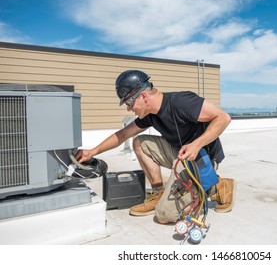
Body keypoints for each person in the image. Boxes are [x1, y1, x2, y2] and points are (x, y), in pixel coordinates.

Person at [75, 69, 235, 224]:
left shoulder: (181, 102)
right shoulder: (150, 115)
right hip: (180, 155)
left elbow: (223, 117)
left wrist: (196, 144)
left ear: (143, 96)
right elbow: (123, 135)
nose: (128, 109)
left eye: (129, 102)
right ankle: (159, 192)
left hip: (200, 158)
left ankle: (219, 186)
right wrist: (93, 151)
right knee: (140, 142)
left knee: (165, 216)